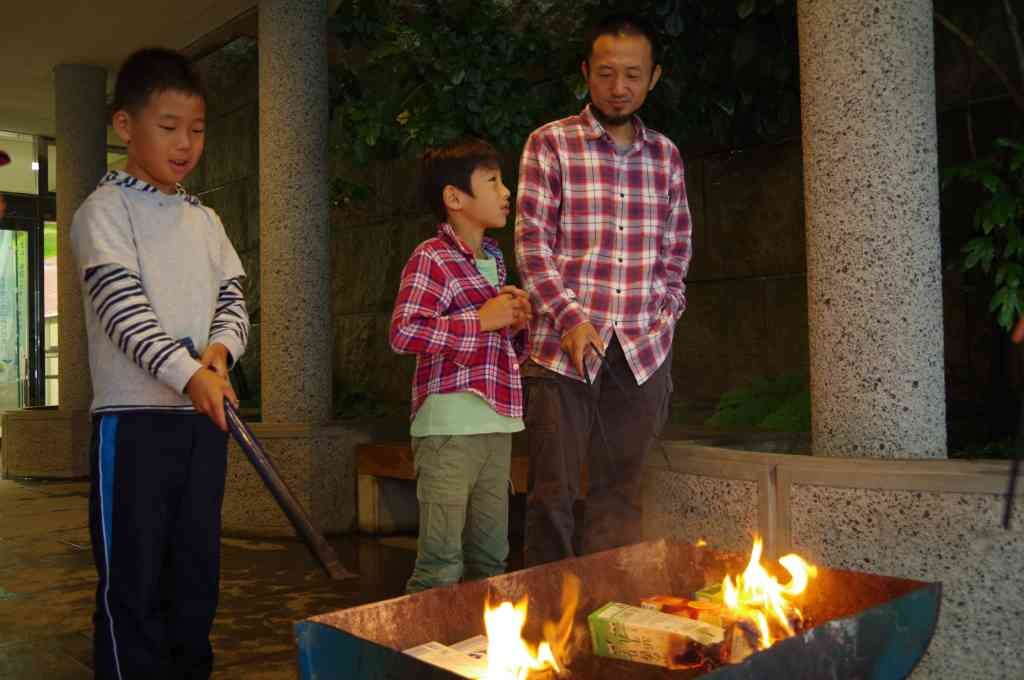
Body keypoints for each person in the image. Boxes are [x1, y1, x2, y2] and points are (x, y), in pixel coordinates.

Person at [70, 48, 249, 679]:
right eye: (168, 127)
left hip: (203, 421)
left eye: (196, 130)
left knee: (195, 575)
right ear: (126, 126)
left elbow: (232, 299)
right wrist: (190, 373)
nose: (185, 144)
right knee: (135, 584)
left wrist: (221, 353)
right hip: (135, 426)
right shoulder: (103, 212)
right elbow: (124, 313)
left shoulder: (205, 219)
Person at [514, 12, 693, 566]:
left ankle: (602, 616)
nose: (620, 88)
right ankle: (544, 625)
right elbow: (532, 246)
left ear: (654, 77)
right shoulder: (550, 145)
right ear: (586, 73)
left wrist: (661, 321)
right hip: (561, 353)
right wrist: (572, 321)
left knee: (620, 495)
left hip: (641, 353)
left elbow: (676, 252)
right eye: (608, 73)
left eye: (633, 75)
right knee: (553, 496)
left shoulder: (665, 156)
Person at [390, 137, 532, 592]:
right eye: (492, 181)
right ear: (454, 198)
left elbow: (495, 349)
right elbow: (404, 331)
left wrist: (513, 320)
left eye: (503, 180)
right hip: (448, 427)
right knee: (440, 564)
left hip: (497, 425)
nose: (506, 190)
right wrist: (482, 319)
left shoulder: (494, 259)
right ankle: (427, 659)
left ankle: (482, 656)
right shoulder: (430, 257)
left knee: (492, 560)